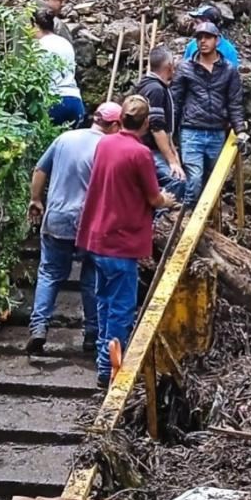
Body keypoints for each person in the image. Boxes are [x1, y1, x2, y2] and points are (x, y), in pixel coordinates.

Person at [75, 95, 178, 387]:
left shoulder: (105, 144)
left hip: (97, 237)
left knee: (104, 302)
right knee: (121, 307)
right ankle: (109, 372)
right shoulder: (140, 154)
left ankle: (101, 360)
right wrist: (167, 201)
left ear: (121, 121)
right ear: (146, 123)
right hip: (121, 242)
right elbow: (153, 197)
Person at [26, 102, 123, 356]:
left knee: (49, 274)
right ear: (113, 125)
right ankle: (92, 335)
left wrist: (36, 200)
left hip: (57, 218)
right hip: (89, 223)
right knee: (91, 279)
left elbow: (40, 169)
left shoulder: (64, 138)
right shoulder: (108, 148)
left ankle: (39, 328)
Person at [172, 21, 246, 206]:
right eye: (199, 38)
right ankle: (185, 219)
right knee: (194, 179)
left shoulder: (229, 70)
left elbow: (234, 103)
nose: (202, 41)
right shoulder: (185, 68)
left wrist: (240, 129)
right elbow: (175, 101)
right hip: (191, 130)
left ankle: (210, 222)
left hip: (216, 132)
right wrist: (169, 131)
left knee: (213, 180)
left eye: (207, 37)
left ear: (217, 40)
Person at [133, 45, 185, 198]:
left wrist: (173, 152)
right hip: (150, 149)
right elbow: (156, 127)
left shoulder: (147, 85)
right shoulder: (155, 89)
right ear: (170, 67)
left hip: (148, 147)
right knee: (177, 180)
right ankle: (163, 219)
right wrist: (172, 162)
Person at [33, 7, 84, 125]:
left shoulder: (38, 46)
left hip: (53, 101)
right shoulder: (65, 43)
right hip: (74, 99)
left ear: (35, 26)